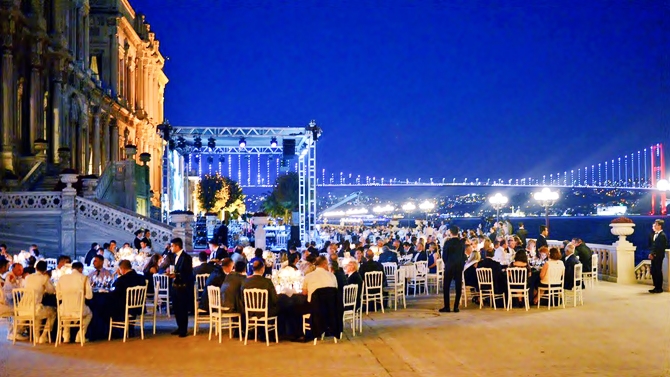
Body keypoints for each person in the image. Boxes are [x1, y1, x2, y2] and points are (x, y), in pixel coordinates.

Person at [57, 261, 93, 343]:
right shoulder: (84, 278)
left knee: (65, 308)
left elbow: (59, 297)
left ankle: (66, 336)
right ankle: (80, 334)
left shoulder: (62, 278)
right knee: (89, 314)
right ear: (81, 269)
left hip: (64, 310)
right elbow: (89, 296)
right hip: (79, 310)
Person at [166, 237, 193, 337]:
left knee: (182, 308)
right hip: (174, 285)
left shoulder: (186, 257)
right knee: (176, 308)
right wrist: (170, 272)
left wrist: (177, 275)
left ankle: (183, 329)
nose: (171, 248)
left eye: (172, 246)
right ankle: (179, 326)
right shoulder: (173, 256)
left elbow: (188, 272)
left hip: (183, 286)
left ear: (177, 246)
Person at [24, 261, 57, 343]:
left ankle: (36, 336)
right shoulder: (44, 278)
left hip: (23, 308)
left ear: (36, 268)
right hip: (35, 308)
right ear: (45, 269)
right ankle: (43, 335)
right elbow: (51, 290)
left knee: (39, 312)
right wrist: (48, 279)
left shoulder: (28, 277)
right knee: (53, 312)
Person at [440, 226, 465, 313]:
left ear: (450, 232)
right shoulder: (461, 243)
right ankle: (456, 307)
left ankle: (447, 307)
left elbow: (444, 256)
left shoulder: (448, 242)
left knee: (446, 286)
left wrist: (447, 263)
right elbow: (463, 256)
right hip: (458, 266)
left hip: (449, 266)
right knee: (458, 287)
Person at [649, 219, 667, 294]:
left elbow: (661, 247)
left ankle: (659, 288)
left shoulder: (662, 235)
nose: (654, 226)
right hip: (654, 255)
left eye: (656, 224)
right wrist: (651, 253)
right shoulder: (655, 234)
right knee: (654, 271)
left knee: (658, 271)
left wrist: (654, 254)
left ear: (660, 226)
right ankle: (656, 286)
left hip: (658, 256)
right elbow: (653, 245)